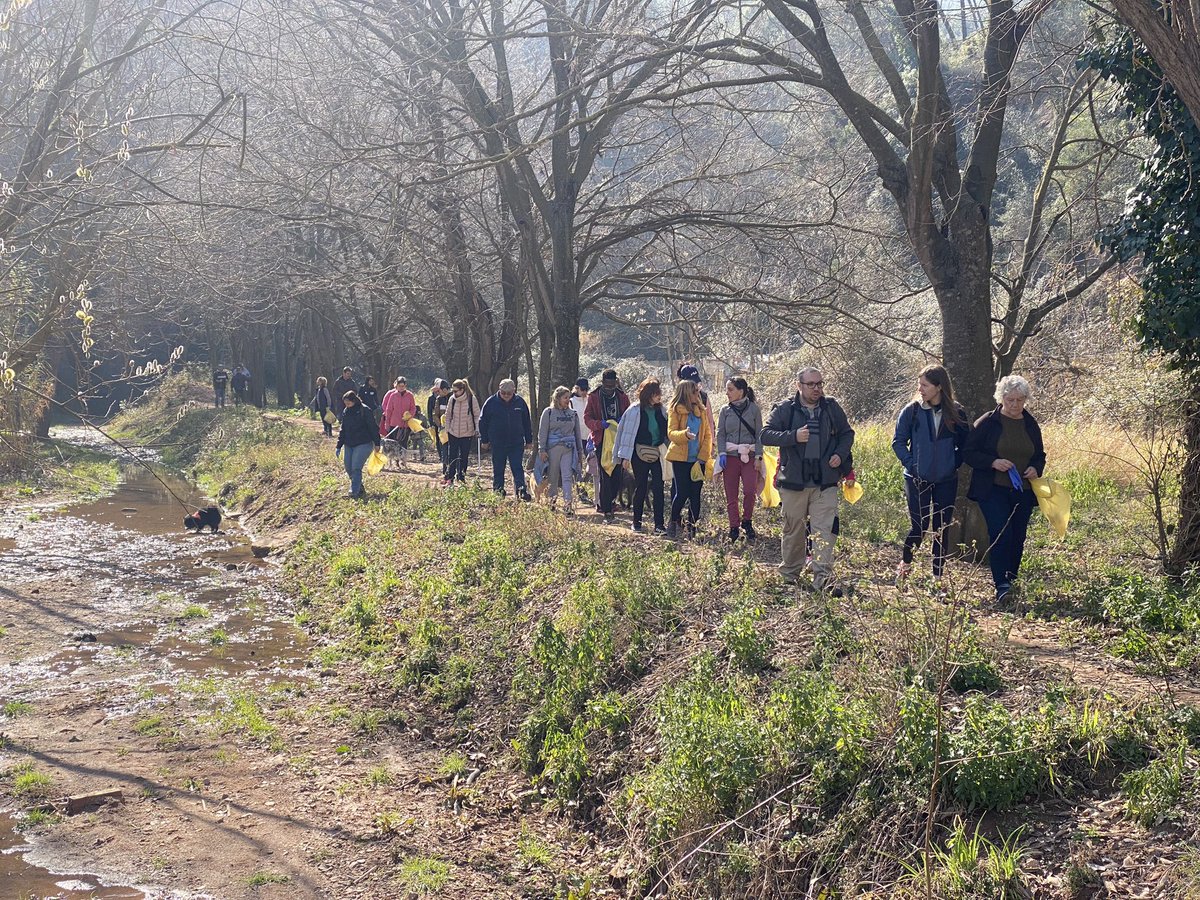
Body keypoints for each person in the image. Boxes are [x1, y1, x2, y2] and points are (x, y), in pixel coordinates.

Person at [761, 367, 855, 592]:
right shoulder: (785, 409)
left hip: (825, 482)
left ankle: (823, 579)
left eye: (820, 384)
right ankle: (789, 576)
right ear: (799, 386)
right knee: (794, 530)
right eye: (811, 384)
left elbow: (847, 434)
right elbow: (765, 434)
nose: (817, 388)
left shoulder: (831, 407)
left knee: (825, 531)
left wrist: (839, 455)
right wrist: (793, 436)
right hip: (794, 482)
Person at [964, 375, 1045, 604]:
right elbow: (969, 453)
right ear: (1002, 398)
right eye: (1010, 400)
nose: (1015, 405)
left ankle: (1012, 580)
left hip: (1023, 491)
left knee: (1018, 537)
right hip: (993, 490)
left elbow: (1040, 455)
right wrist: (993, 462)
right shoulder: (988, 423)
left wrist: (1035, 468)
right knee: (1001, 535)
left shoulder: (1030, 424)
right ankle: (1001, 585)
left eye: (1020, 400)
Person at [892, 365, 970, 583]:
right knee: (919, 527)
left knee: (941, 528)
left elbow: (966, 445)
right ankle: (904, 568)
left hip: (946, 480)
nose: (920, 389)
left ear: (939, 387)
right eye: (920, 385)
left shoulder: (956, 412)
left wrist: (953, 464)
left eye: (925, 385)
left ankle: (937, 578)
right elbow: (898, 442)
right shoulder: (912, 411)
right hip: (916, 479)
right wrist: (912, 464)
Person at [615, 378, 669, 534]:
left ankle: (659, 524)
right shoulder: (634, 411)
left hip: (657, 452)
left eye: (659, 393)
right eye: (656, 393)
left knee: (659, 488)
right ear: (648, 394)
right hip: (639, 453)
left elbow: (667, 432)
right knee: (641, 486)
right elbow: (626, 434)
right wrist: (624, 457)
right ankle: (636, 522)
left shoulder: (662, 410)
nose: (659, 396)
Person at [716, 376, 764, 544]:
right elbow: (720, 433)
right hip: (730, 457)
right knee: (731, 494)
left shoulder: (754, 410)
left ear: (741, 391)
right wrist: (721, 453)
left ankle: (747, 520)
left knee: (750, 491)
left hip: (749, 456)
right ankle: (734, 526)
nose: (727, 393)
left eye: (730, 389)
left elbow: (760, 435)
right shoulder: (724, 410)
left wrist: (759, 456)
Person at [665, 380, 713, 539]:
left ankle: (692, 528)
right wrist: (684, 435)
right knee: (682, 492)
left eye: (697, 392)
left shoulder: (702, 410)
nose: (697, 395)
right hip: (680, 459)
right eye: (694, 392)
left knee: (695, 495)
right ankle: (673, 522)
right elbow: (671, 433)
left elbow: (707, 435)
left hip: (698, 461)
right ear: (686, 393)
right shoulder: (675, 410)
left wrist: (703, 457)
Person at [584, 369, 631, 523]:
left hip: (619, 441)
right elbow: (587, 418)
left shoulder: (622, 397)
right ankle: (607, 509)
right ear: (603, 382)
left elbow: (629, 416)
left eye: (612, 385)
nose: (610, 388)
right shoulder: (594, 397)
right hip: (601, 440)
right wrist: (599, 425)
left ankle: (610, 500)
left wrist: (621, 422)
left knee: (617, 475)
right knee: (605, 475)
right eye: (607, 385)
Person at [479, 379, 533, 499]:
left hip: (516, 442)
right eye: (504, 393)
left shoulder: (520, 402)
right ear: (499, 390)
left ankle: (521, 491)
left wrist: (529, 440)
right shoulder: (491, 402)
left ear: (514, 391)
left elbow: (526, 422)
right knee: (498, 468)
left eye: (509, 393)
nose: (506, 395)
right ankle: (498, 491)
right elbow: (483, 422)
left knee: (517, 467)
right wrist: (485, 440)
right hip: (497, 442)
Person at [538, 387, 585, 513]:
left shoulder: (573, 414)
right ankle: (551, 502)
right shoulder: (548, 412)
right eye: (565, 397)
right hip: (552, 448)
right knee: (552, 476)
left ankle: (568, 504)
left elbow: (577, 434)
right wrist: (542, 449)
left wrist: (580, 452)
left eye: (568, 397)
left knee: (567, 476)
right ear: (558, 398)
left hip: (568, 448)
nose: (567, 400)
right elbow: (542, 432)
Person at [336, 390, 382, 500]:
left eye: (348, 403)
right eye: (345, 403)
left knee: (356, 467)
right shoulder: (346, 411)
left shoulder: (365, 410)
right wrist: (339, 445)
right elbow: (343, 429)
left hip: (363, 443)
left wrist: (377, 443)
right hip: (349, 443)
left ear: (354, 401)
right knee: (348, 467)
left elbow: (373, 427)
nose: (346, 405)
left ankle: (354, 492)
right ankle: (359, 487)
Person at [443, 378, 479, 484]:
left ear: (462, 389)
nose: (454, 393)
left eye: (456, 391)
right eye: (452, 391)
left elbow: (477, 415)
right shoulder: (452, 399)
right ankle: (450, 477)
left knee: (464, 456)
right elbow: (448, 415)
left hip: (467, 433)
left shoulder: (472, 399)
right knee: (452, 455)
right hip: (453, 432)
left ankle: (461, 476)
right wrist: (448, 428)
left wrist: (477, 428)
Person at [380, 376, 418, 456]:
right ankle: (394, 460)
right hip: (394, 424)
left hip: (405, 424)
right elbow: (388, 410)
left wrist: (409, 415)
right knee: (393, 444)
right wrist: (387, 423)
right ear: (396, 386)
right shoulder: (392, 396)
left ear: (405, 386)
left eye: (403, 386)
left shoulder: (410, 395)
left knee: (403, 444)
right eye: (399, 386)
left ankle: (402, 460)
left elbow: (413, 408)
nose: (401, 388)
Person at [570, 378, 594, 505]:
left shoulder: (590, 399)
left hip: (590, 437)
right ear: (577, 388)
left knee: (591, 463)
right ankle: (581, 491)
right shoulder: (571, 402)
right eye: (582, 389)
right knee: (578, 466)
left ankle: (585, 484)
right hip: (576, 438)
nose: (584, 392)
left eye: (586, 389)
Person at [427, 379, 452, 476]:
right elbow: (435, 414)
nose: (438, 393)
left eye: (439, 391)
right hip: (442, 430)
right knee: (444, 449)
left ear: (445, 389)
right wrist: (440, 425)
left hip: (454, 430)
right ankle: (445, 470)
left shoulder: (453, 398)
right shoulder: (439, 399)